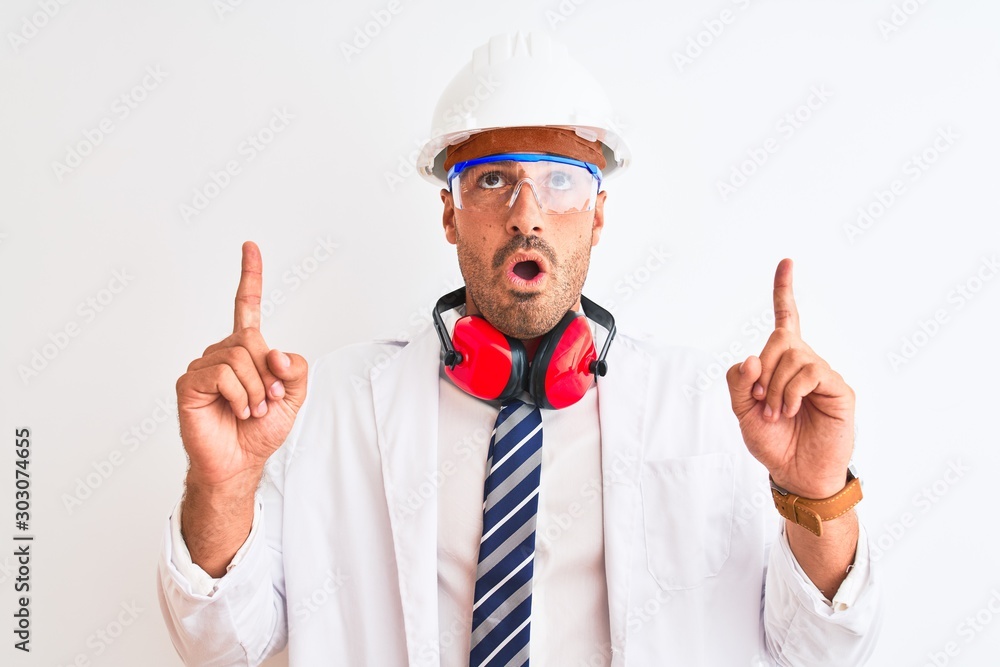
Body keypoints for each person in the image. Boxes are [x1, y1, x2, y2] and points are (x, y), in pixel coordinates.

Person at [157, 32, 881, 665]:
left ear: (598, 215)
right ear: (450, 211)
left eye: (561, 181)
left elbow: (823, 648)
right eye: (493, 179)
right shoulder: (330, 407)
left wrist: (817, 492)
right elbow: (219, 644)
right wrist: (223, 483)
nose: (526, 214)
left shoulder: (714, 405)